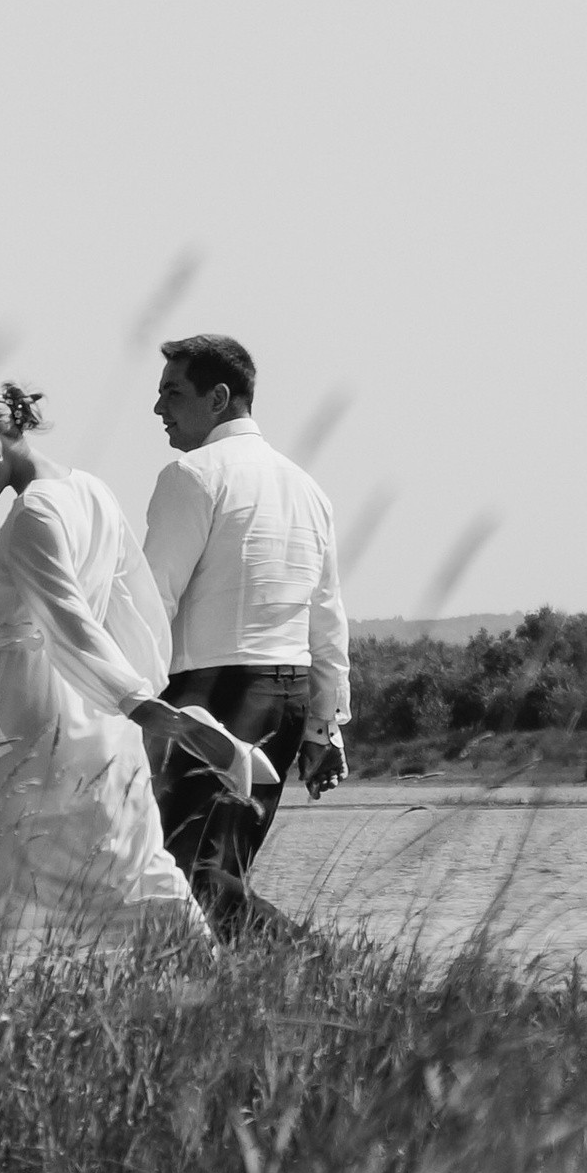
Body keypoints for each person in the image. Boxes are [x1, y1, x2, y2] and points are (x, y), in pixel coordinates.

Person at [0, 380, 268, 951]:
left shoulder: (35, 513)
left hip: (40, 713)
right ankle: (199, 969)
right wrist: (136, 693)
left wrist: (141, 703)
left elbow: (71, 623)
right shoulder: (91, 490)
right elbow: (133, 605)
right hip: (98, 708)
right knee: (125, 852)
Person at [141, 332, 350, 934]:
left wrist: (122, 699)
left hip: (214, 698)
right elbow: (328, 619)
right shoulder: (309, 489)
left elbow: (154, 599)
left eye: (172, 393)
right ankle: (239, 1000)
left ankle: (321, 968)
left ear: (219, 397)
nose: (159, 409)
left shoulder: (191, 476)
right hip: (284, 699)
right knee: (214, 871)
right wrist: (322, 725)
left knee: (191, 876)